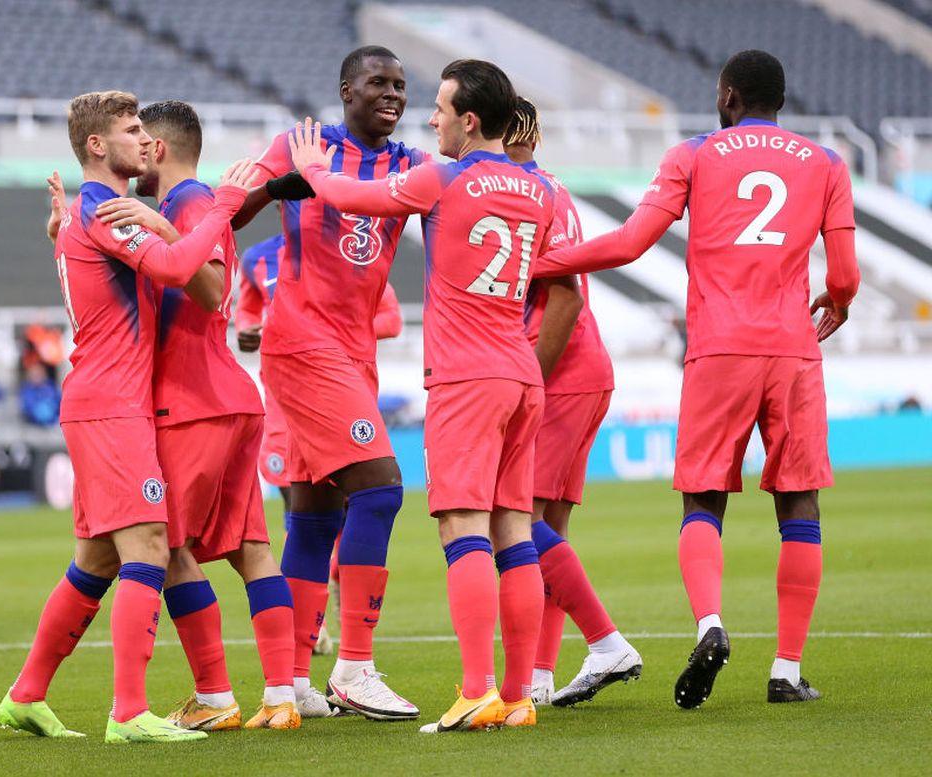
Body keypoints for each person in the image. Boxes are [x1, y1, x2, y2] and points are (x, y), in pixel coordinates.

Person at [535, 50, 860, 707]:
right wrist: (839, 302)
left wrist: (545, 261)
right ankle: (787, 670)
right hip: (794, 350)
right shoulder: (827, 163)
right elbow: (845, 275)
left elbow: (629, 243)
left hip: (719, 348)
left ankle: (711, 624)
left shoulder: (694, 154)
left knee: (703, 498)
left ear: (729, 94)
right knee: (799, 502)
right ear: (781, 99)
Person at [289, 58, 570, 732]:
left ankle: (475, 690)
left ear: (470, 120)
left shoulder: (441, 178)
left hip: (467, 376)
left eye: (441, 109)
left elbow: (357, 199)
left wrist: (315, 170)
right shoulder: (542, 192)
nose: (432, 119)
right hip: (523, 373)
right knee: (515, 530)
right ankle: (519, 694)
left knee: (463, 526)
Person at [0, 90, 257, 744]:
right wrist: (222, 206)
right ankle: (128, 711)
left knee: (96, 560)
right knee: (147, 546)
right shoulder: (110, 208)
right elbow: (172, 267)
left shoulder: (88, 212)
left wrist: (67, 228)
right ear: (95, 145)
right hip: (113, 406)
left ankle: (26, 694)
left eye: (144, 129)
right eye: (131, 130)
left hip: (101, 399)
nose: (145, 141)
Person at [88, 99, 300, 731]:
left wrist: (163, 228)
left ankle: (214, 696)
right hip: (232, 396)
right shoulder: (200, 203)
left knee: (169, 547)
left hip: (190, 402)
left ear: (156, 148)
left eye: (139, 141)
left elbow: (209, 289)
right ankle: (283, 696)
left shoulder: (184, 205)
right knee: (254, 550)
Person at [239, 45, 426, 721]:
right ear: (346, 89)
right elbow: (232, 206)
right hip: (305, 345)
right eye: (379, 82)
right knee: (380, 489)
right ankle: (354, 665)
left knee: (316, 517)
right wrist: (258, 191)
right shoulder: (301, 146)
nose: (394, 94)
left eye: (402, 86)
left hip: (354, 352)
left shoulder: (409, 165)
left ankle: (291, 683)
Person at [503, 98, 643, 707]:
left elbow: (565, 298)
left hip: (559, 369)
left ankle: (606, 642)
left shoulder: (524, 193)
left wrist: (530, 381)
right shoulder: (550, 187)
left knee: (519, 519)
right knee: (548, 526)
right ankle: (538, 673)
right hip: (582, 368)